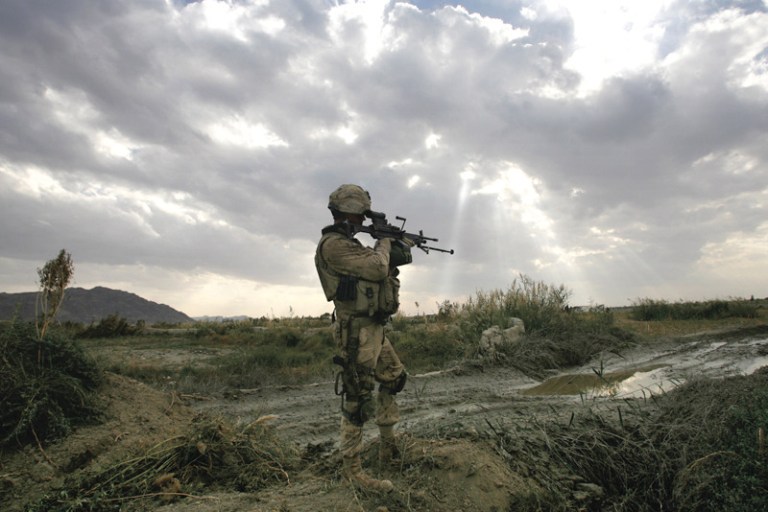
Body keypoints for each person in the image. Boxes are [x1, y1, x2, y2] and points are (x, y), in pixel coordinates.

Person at [315, 184, 412, 492]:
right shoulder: (333, 245)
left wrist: (399, 244)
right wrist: (384, 238)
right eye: (359, 216)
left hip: (374, 327)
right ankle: (352, 471)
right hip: (355, 331)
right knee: (357, 399)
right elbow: (377, 266)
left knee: (394, 377)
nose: (361, 223)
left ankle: (388, 448)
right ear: (349, 214)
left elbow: (387, 264)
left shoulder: (351, 245)